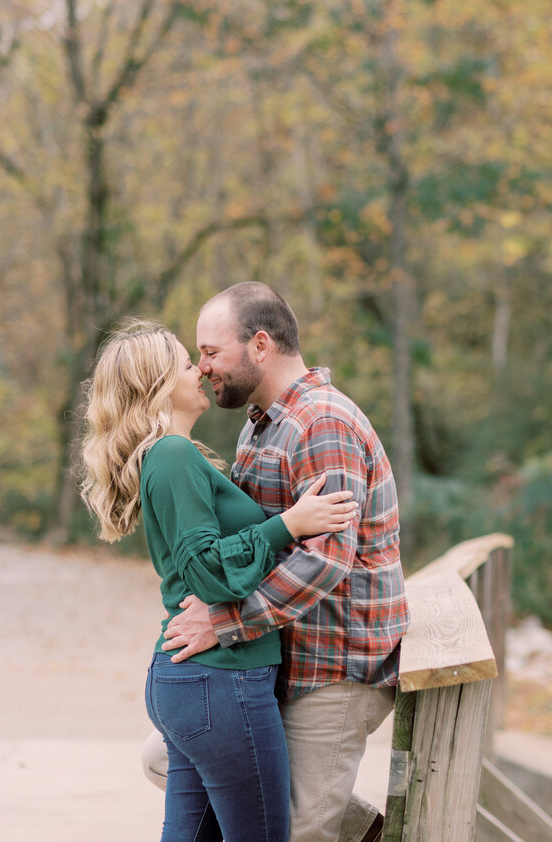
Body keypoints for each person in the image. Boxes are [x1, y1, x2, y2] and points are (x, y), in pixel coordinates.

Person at [79, 321, 358, 842]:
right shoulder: (172, 455)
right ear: (159, 385)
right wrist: (288, 525)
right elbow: (207, 573)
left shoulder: (174, 456)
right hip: (221, 681)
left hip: (198, 681)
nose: (201, 370)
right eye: (188, 363)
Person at [153, 282, 410, 842]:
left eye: (211, 352)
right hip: (278, 656)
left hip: (332, 668)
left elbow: (325, 562)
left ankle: (346, 825)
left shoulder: (323, 424)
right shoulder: (262, 422)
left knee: (295, 833)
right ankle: (361, 828)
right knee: (166, 759)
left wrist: (224, 622)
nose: (202, 368)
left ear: (261, 345)